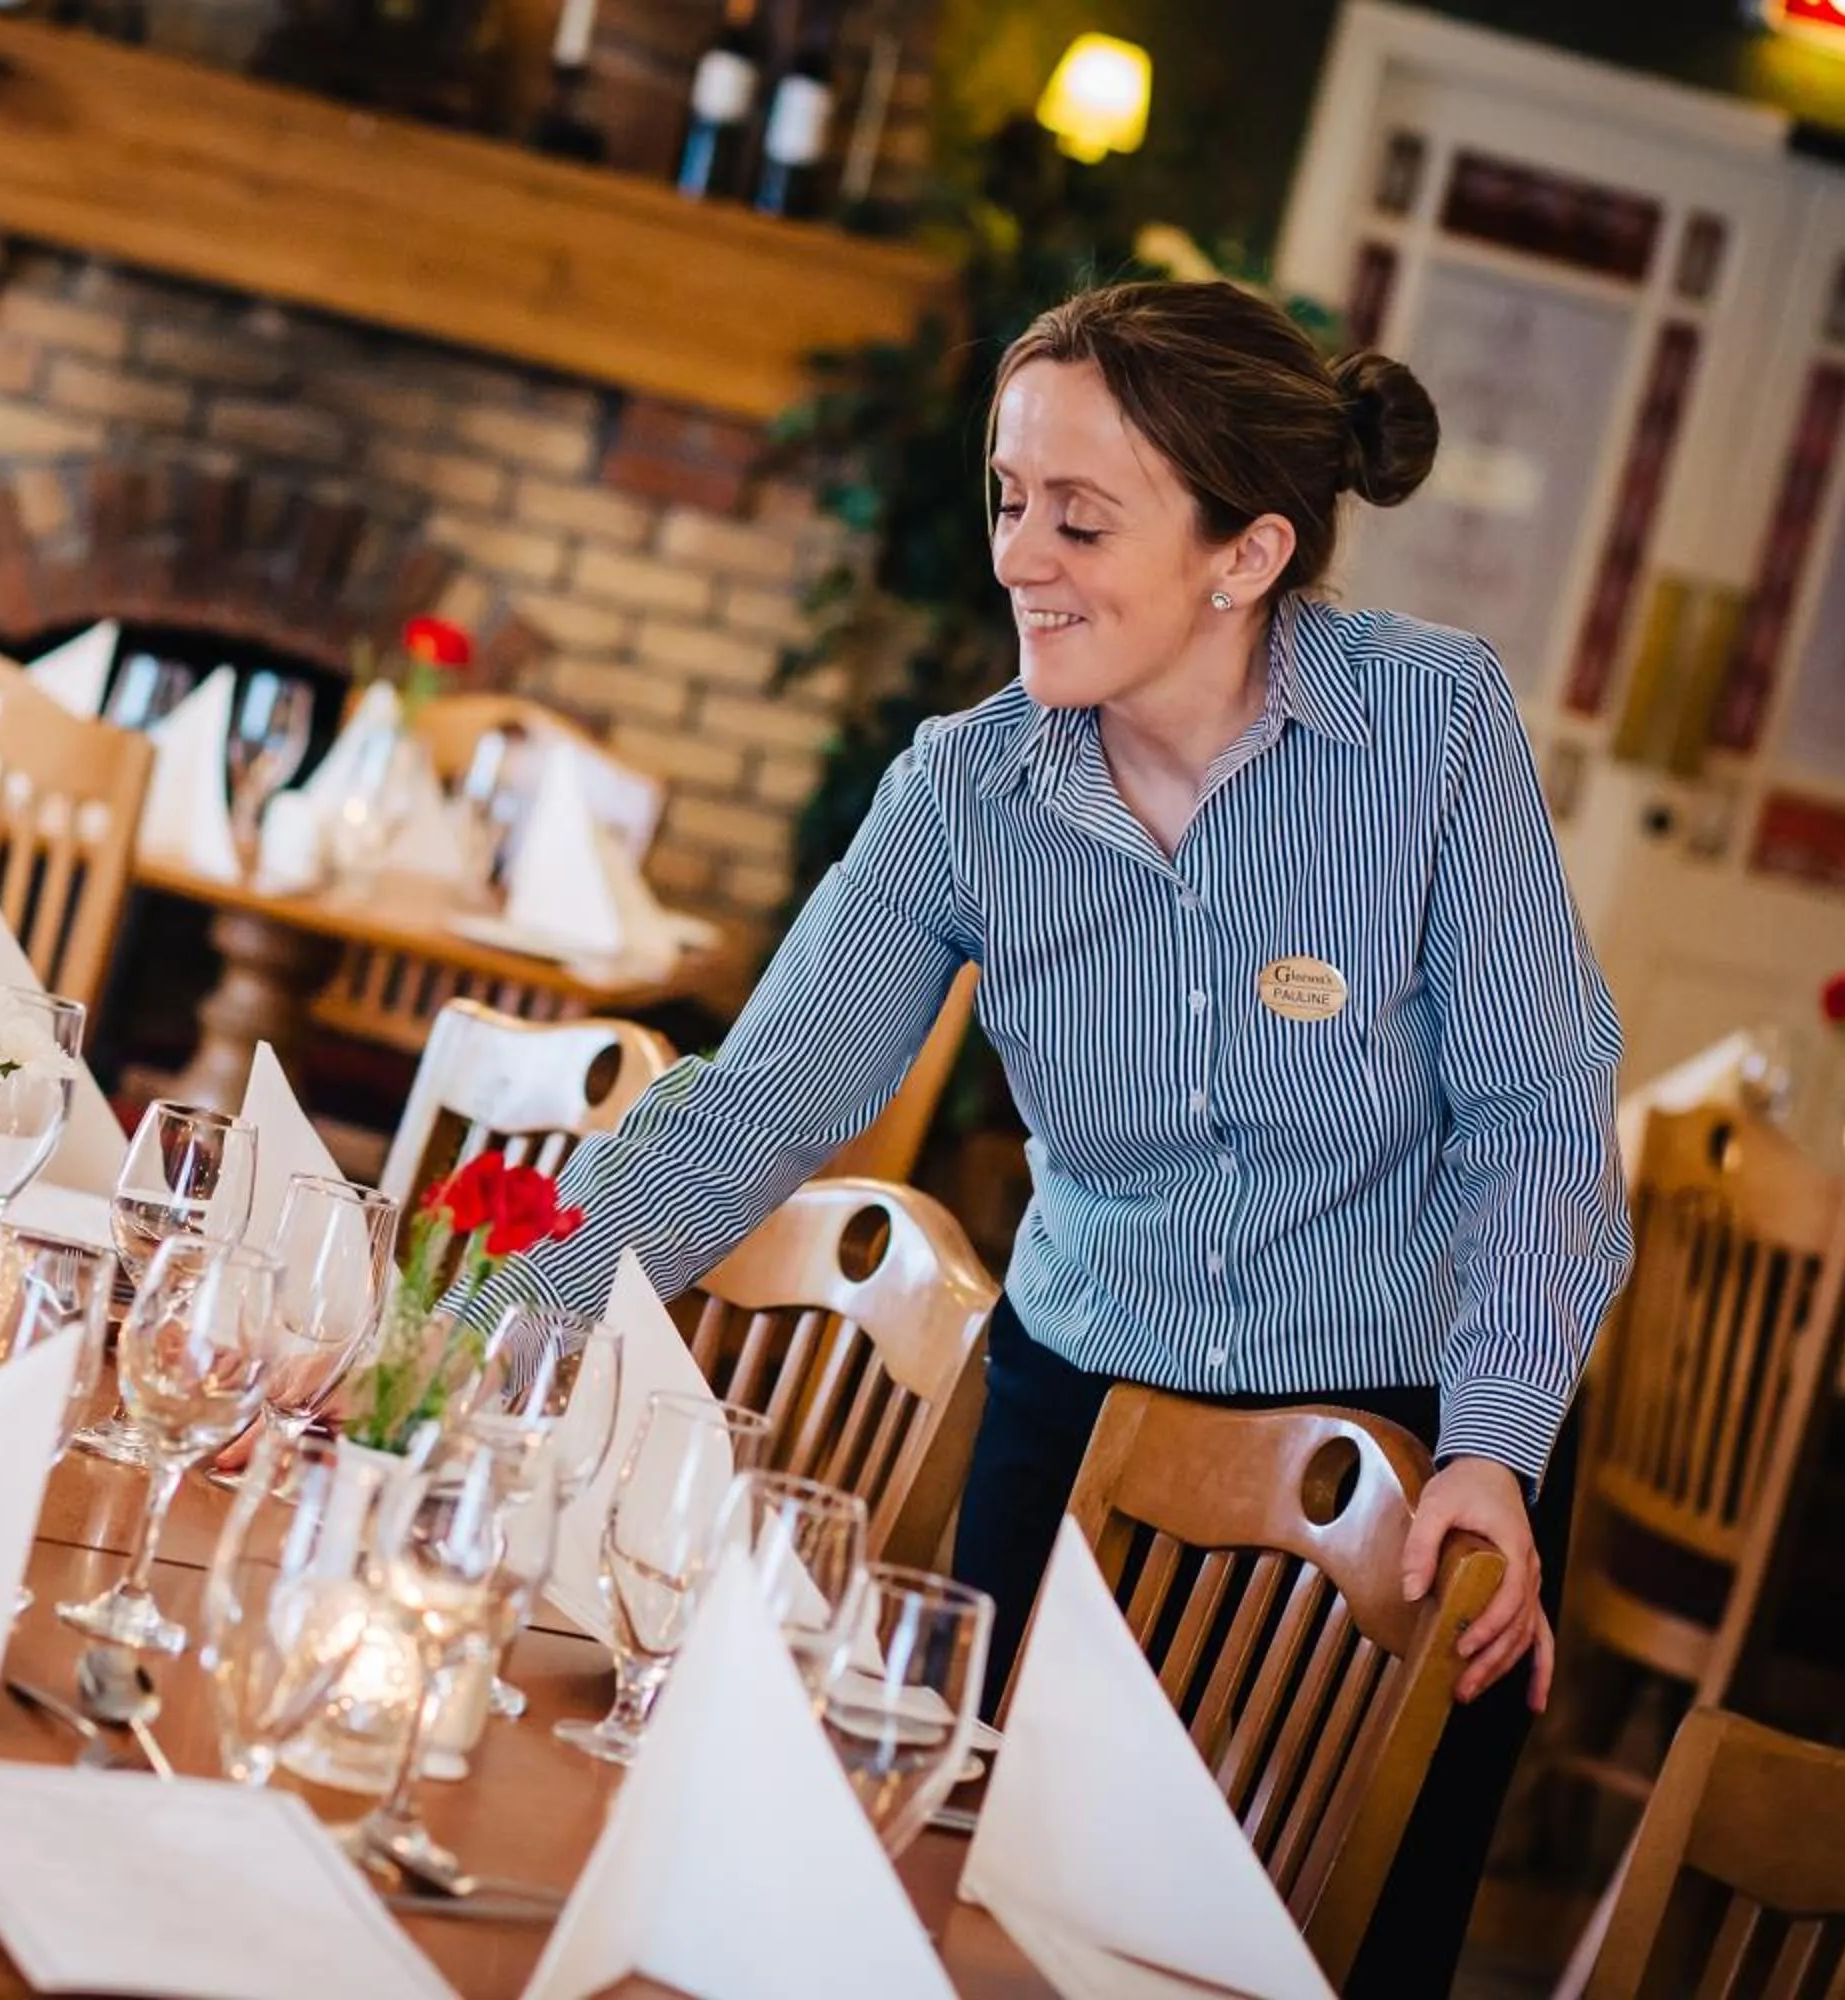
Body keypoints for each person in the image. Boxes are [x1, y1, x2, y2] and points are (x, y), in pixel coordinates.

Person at [480, 278, 1629, 1996]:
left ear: (1244, 556)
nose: (1021, 553)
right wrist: (495, 1328)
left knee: (1345, 1951)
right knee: (958, 1910)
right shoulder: (964, 792)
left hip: (1409, 1441)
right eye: (1012, 498)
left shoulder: (1430, 730)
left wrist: (1495, 1444)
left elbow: (1537, 1118)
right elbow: (763, 1100)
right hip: (1077, 1415)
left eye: (1082, 518)